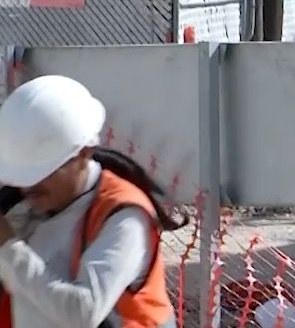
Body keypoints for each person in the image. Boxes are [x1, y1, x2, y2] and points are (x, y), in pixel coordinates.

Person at [0, 75, 186, 328]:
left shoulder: (124, 217)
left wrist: (10, 249)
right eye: (22, 175)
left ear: (83, 154)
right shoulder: (28, 205)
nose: (28, 186)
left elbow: (84, 312)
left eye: (43, 173)